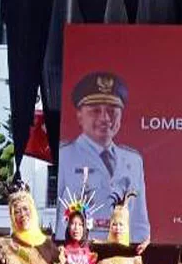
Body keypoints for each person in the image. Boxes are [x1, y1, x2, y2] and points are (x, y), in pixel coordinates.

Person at [56, 71, 150, 242]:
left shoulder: (133, 161)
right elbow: (60, 216)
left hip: (121, 253)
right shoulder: (66, 156)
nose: (105, 118)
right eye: (95, 110)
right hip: (83, 250)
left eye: (112, 110)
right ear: (79, 115)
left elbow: (139, 222)